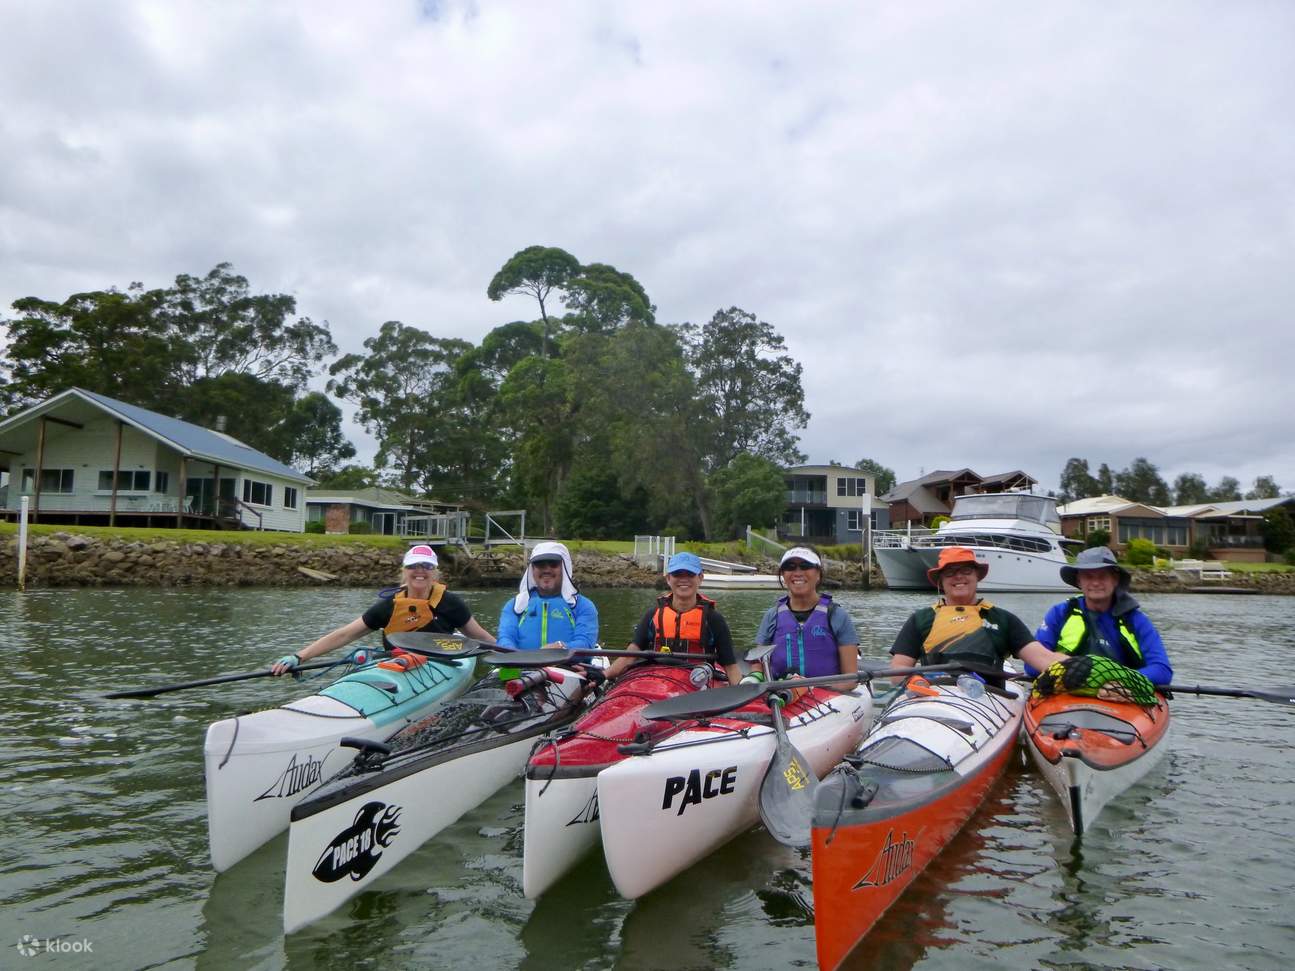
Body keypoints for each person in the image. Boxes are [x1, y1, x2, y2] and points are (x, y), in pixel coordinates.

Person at [270, 544, 495, 675]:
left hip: (439, 666)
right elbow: (346, 634)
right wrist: (300, 657)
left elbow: (480, 637)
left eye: (426, 566)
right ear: (404, 571)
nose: (420, 571)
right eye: (413, 566)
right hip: (395, 664)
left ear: (434, 572)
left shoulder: (450, 602)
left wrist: (511, 655)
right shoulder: (389, 605)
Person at [889, 546, 1068, 678]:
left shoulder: (1003, 619)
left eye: (966, 570)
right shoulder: (921, 619)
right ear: (941, 582)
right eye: (950, 572)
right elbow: (899, 670)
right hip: (935, 695)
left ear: (977, 577)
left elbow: (1042, 658)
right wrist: (915, 683)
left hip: (989, 699)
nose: (959, 577)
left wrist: (1079, 666)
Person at [1031, 545, 1173, 687]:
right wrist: (1069, 668)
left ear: (1115, 580)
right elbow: (1031, 666)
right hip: (1066, 690)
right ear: (1079, 581)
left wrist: (1120, 681)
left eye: (1103, 576)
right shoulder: (1059, 613)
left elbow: (1162, 670)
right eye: (1088, 576)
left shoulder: (1136, 619)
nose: (1096, 583)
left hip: (1121, 694)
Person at [604, 552, 743, 685]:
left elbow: (730, 666)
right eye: (677, 574)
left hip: (697, 684)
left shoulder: (713, 619)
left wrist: (743, 696)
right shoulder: (652, 615)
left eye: (690, 574)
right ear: (668, 579)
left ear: (700, 578)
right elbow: (630, 655)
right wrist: (604, 675)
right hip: (656, 681)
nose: (684, 579)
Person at [750, 546, 860, 690]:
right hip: (782, 697)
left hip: (828, 699)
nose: (797, 573)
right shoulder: (772, 616)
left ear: (818, 574)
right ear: (783, 575)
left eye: (805, 566)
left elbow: (850, 679)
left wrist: (808, 689)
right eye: (790, 567)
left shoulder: (837, 616)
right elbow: (757, 665)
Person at [496, 541, 599, 651]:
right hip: (521, 664)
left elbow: (585, 642)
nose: (546, 570)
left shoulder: (583, 606)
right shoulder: (515, 606)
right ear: (532, 569)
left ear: (564, 567)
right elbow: (505, 638)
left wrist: (561, 647)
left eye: (553, 564)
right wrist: (511, 654)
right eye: (540, 564)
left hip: (568, 666)